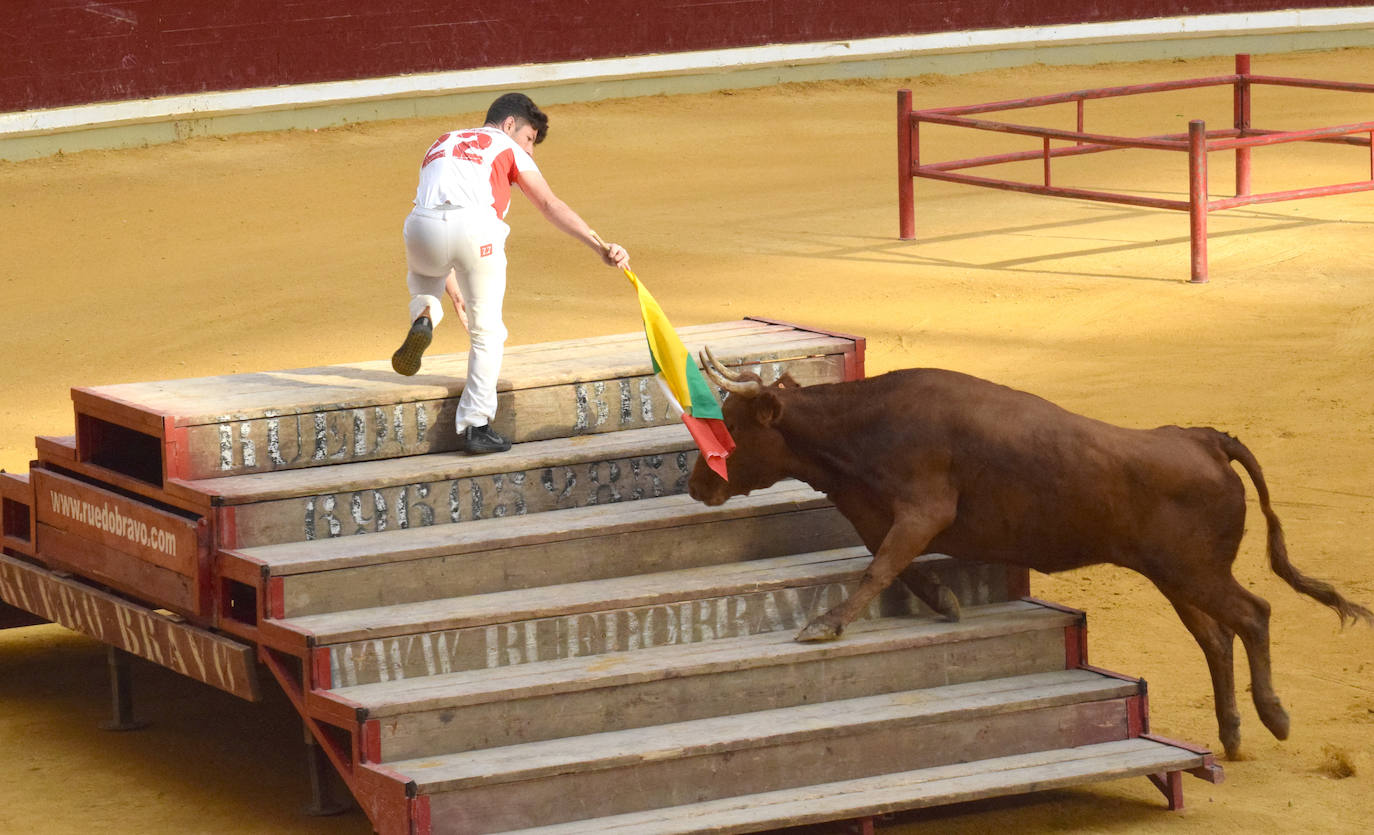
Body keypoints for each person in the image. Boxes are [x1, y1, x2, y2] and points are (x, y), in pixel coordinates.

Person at [392, 92, 630, 454]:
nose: (530, 150)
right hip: (475, 228)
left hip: (421, 227)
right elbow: (549, 204)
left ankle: (425, 313)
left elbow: (444, 222)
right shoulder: (507, 145)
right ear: (509, 125)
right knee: (487, 331)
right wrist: (599, 246)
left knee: (425, 281)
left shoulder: (443, 141)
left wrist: (455, 295)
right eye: (529, 138)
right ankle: (475, 424)